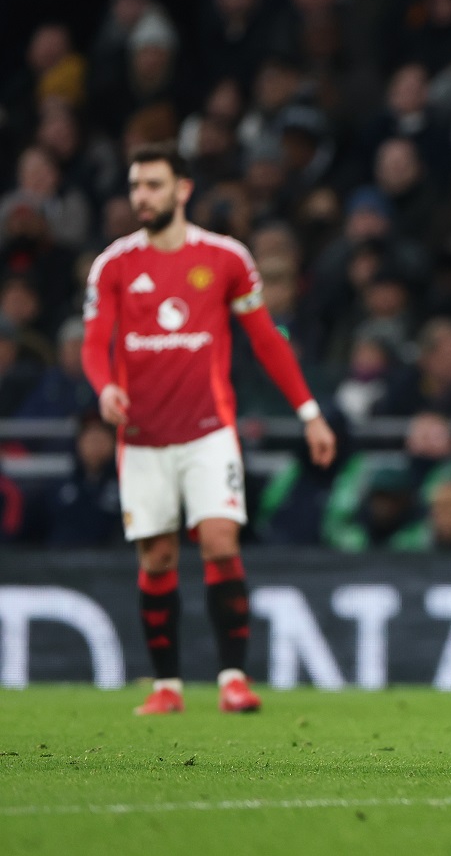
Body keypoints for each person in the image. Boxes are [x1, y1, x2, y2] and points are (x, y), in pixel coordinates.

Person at [81, 143, 336, 716]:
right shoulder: (114, 265)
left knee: (220, 542)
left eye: (152, 184)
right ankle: (167, 687)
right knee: (158, 557)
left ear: (183, 189)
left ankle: (233, 679)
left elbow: (266, 340)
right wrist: (104, 388)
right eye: (135, 186)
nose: (141, 196)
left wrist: (309, 412)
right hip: (142, 438)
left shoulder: (225, 258)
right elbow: (97, 344)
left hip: (207, 432)